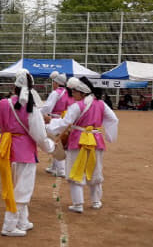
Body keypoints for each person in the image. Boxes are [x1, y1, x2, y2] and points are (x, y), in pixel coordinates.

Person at [0, 69, 55, 236]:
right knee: (22, 190)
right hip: (25, 152)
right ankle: (9, 226)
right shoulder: (31, 108)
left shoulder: (3, 103)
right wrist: (50, 147)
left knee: (16, 187)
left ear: (14, 87)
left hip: (6, 149)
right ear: (31, 88)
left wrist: (7, 130)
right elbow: (39, 135)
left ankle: (22, 221)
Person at [46, 77, 119, 213]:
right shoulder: (101, 104)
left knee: (75, 169)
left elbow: (63, 123)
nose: (72, 94)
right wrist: (110, 136)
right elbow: (114, 119)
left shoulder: (76, 106)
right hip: (95, 140)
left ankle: (78, 204)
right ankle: (96, 201)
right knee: (95, 169)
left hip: (78, 140)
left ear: (82, 93)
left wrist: (49, 125)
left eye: (74, 92)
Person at [40, 71, 71, 177]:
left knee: (56, 144)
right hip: (65, 120)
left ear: (57, 83)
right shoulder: (68, 92)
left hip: (55, 120)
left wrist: (40, 113)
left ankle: (61, 170)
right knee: (58, 143)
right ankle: (54, 167)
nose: (52, 84)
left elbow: (48, 107)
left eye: (53, 82)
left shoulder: (56, 93)